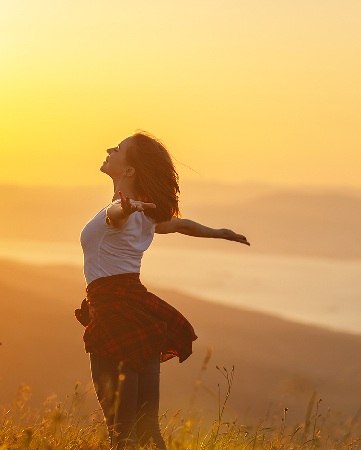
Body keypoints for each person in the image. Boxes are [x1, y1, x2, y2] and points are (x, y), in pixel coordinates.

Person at [74, 131, 249, 449]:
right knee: (147, 429)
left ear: (129, 171)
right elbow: (182, 225)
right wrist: (219, 233)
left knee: (122, 433)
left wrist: (125, 208)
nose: (110, 149)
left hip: (114, 313)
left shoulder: (124, 212)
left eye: (118, 148)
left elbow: (117, 217)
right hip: (138, 311)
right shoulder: (143, 215)